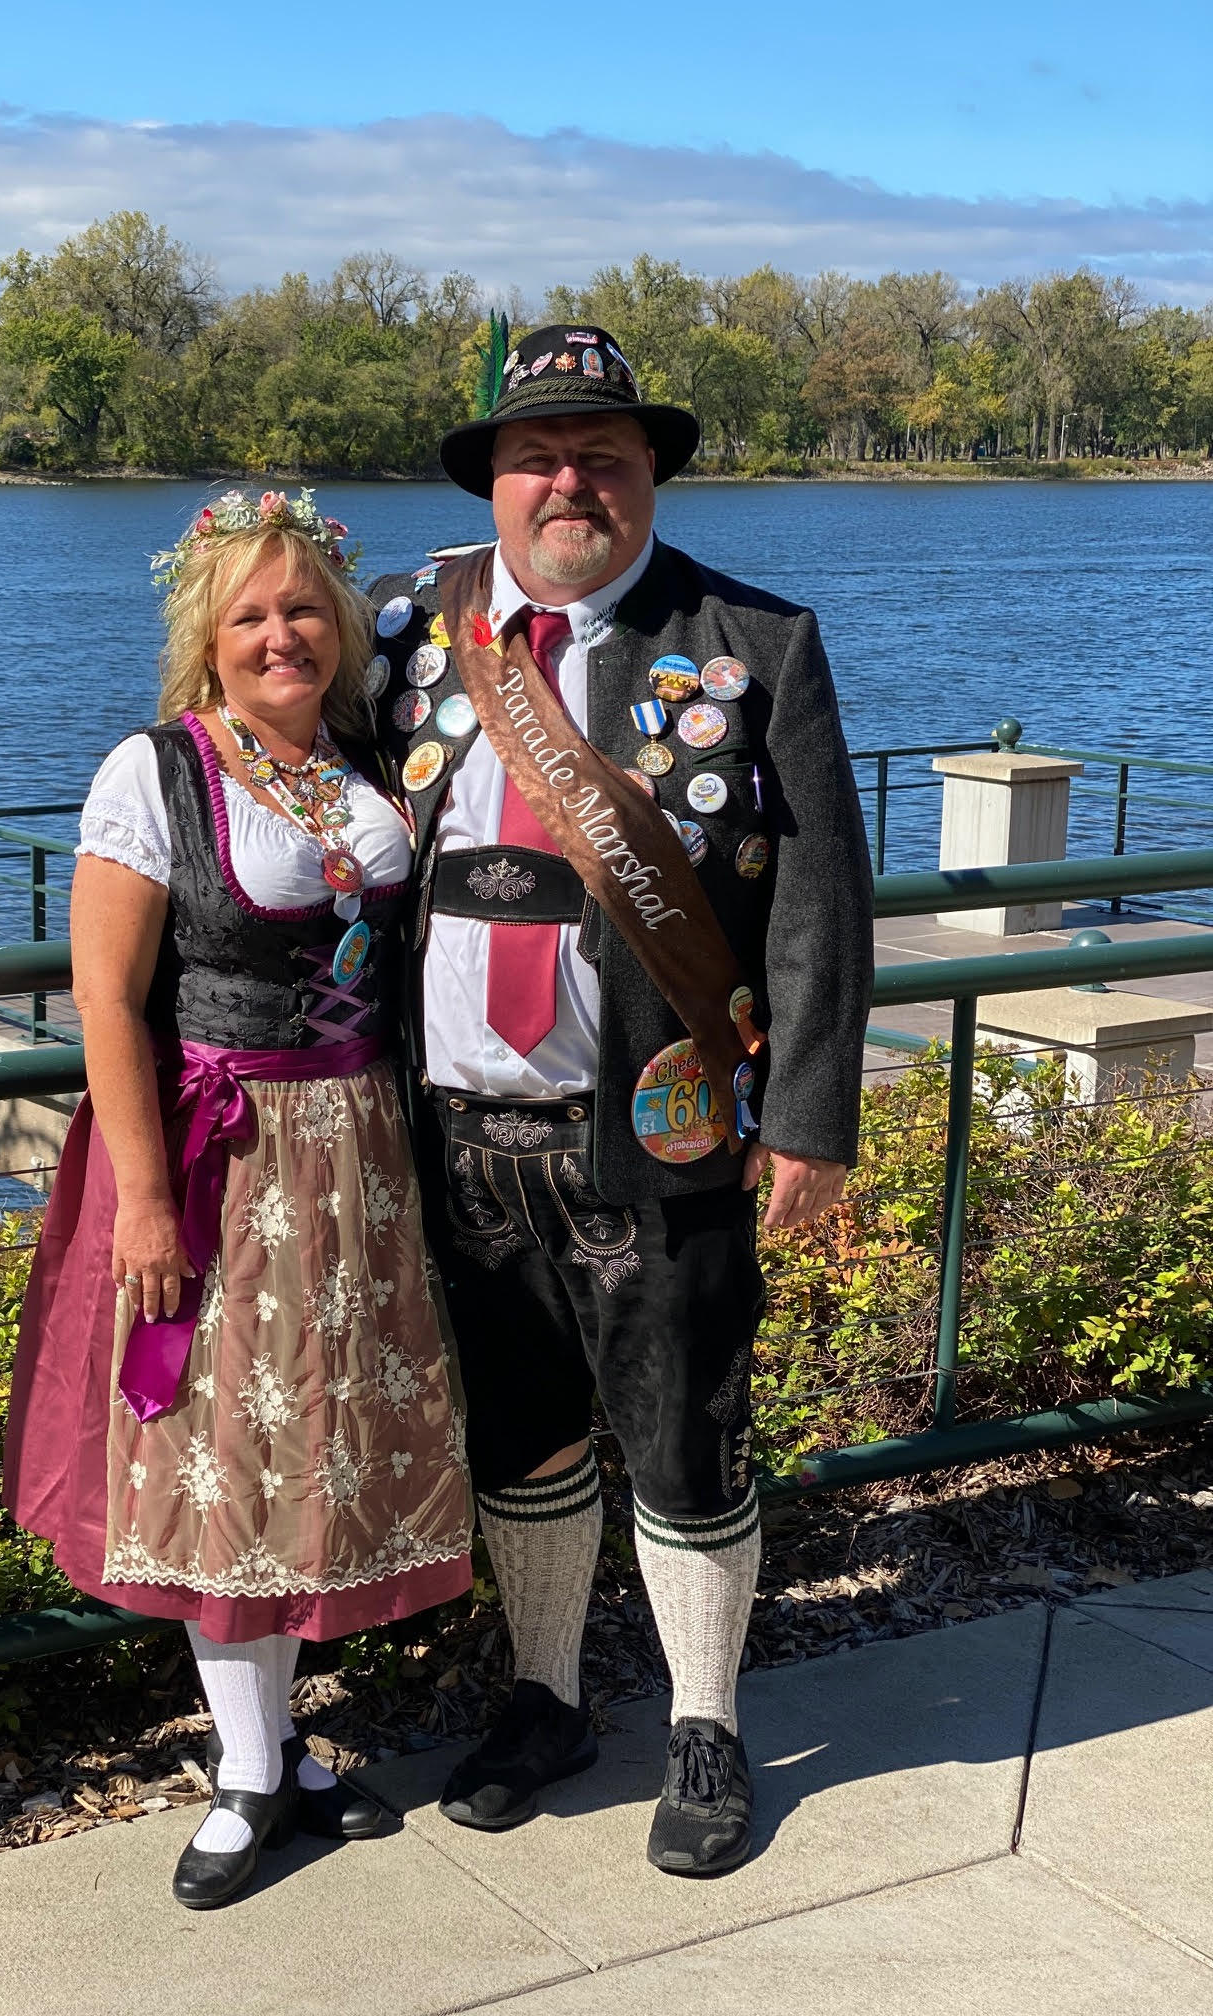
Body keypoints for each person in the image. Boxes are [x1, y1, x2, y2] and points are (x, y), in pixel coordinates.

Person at [363, 325, 873, 1878]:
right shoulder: (401, 632)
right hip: (459, 1135)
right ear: (495, 482)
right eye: (539, 456)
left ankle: (705, 1726)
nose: (568, 481)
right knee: (522, 1443)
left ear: (650, 474)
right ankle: (547, 1699)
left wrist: (810, 1121)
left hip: (661, 1133)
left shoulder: (753, 641)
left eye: (603, 455)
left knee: (684, 1439)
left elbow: (821, 907)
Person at [3, 489, 472, 1912]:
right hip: (228, 1160)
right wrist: (145, 1201)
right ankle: (249, 1775)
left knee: (314, 1447)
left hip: (365, 1152)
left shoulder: (359, 766)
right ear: (205, 639)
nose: (282, 633)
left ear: (340, 621)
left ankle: (279, 1750)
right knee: (221, 1460)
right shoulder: (154, 776)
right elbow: (102, 997)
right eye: (251, 614)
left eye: (305, 606)